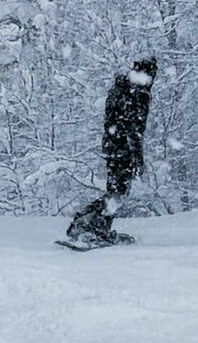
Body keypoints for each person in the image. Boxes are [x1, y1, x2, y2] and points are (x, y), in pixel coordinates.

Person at [64, 56, 157, 247]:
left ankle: (90, 224)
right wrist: (137, 158)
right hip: (123, 149)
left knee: (115, 191)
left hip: (112, 146)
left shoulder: (120, 88)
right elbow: (134, 128)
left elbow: (116, 120)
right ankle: (91, 225)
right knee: (118, 193)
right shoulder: (138, 93)